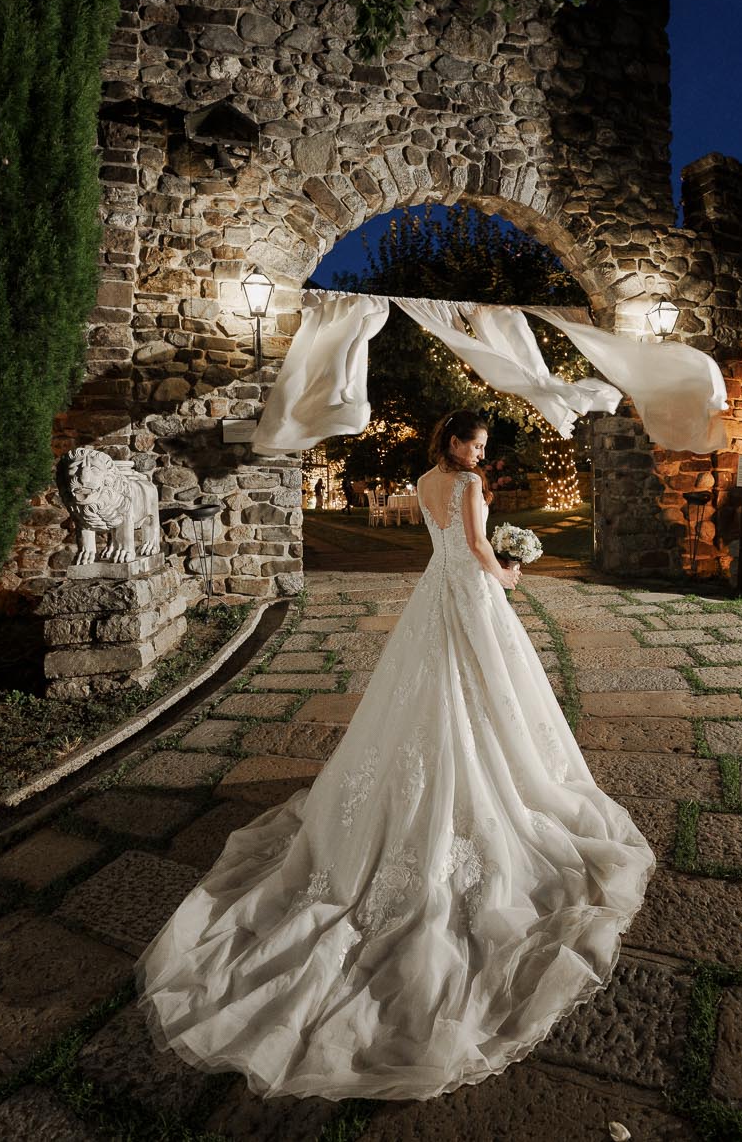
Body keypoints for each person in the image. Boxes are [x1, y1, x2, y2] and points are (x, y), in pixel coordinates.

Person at [137, 410, 655, 1100]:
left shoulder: (421, 479)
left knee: (433, 701)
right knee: (484, 699)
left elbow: (441, 545)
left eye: (483, 445)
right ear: (452, 441)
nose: (479, 453)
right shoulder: (468, 485)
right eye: (474, 441)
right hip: (469, 594)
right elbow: (473, 547)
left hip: (431, 598)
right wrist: (509, 573)